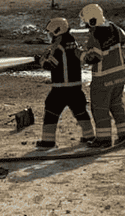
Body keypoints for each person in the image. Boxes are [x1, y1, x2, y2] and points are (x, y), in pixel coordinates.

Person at [35, 17, 95, 149]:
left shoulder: (59, 46)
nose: (50, 36)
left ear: (57, 31)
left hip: (60, 88)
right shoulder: (72, 42)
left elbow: (51, 65)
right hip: (76, 87)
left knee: (51, 112)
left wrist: (41, 61)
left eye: (51, 33)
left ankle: (48, 141)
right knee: (80, 112)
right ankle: (89, 136)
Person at [80, 4, 125, 148]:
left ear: (91, 20)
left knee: (100, 108)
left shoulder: (95, 35)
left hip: (104, 78)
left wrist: (80, 54)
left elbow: (93, 58)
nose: (85, 25)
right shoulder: (114, 27)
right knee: (116, 106)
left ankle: (103, 139)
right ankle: (124, 136)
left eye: (86, 22)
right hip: (121, 74)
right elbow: (123, 38)